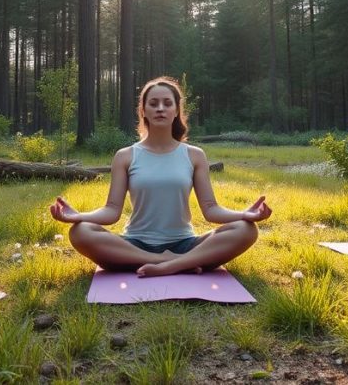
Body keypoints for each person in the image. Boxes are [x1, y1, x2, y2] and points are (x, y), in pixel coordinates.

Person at [49, 76, 272, 277]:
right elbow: (111, 211)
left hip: (185, 244)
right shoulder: (125, 156)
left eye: (167, 103)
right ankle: (166, 262)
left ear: (176, 111)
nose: (160, 109)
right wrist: (78, 216)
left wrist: (245, 214)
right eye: (153, 103)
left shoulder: (194, 155)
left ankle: (173, 263)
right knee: (80, 232)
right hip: (134, 245)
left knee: (245, 229)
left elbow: (211, 209)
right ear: (143, 110)